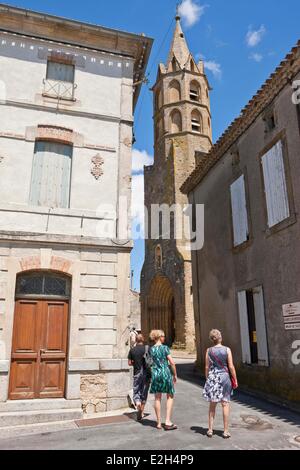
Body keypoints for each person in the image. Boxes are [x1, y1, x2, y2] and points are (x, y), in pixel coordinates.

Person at [203, 329, 238, 439]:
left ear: (212, 339)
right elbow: (231, 366)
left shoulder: (208, 351)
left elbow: (207, 367)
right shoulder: (227, 350)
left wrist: (207, 378)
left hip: (213, 378)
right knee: (225, 403)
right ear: (220, 337)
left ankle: (210, 429)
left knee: (212, 404)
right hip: (225, 377)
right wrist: (235, 379)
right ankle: (226, 431)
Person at [149, 330, 178, 431]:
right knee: (170, 395)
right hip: (165, 373)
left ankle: (158, 423)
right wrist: (175, 374)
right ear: (159, 337)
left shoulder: (151, 349)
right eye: (163, 336)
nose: (164, 338)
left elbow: (149, 364)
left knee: (157, 398)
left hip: (156, 374)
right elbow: (172, 362)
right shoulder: (165, 348)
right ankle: (168, 421)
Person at [128, 334, 151, 421]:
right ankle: (141, 412)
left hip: (137, 372)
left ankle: (137, 403)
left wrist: (135, 363)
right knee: (144, 392)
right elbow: (151, 360)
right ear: (143, 339)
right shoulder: (147, 349)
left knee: (136, 390)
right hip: (146, 373)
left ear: (136, 340)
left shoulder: (132, 350)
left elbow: (129, 363)